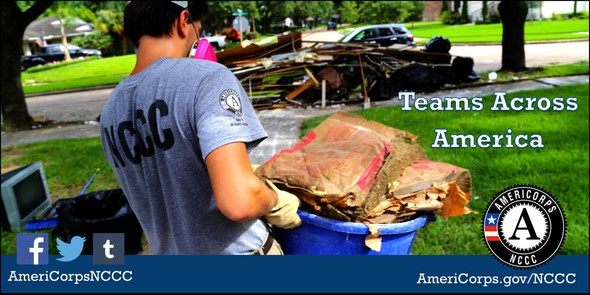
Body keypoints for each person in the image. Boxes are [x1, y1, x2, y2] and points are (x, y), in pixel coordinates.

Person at [99, 1, 301, 255]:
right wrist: (274, 198)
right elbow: (239, 202)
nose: (198, 33)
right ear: (183, 21)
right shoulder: (206, 78)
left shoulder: (110, 110)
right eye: (199, 25)